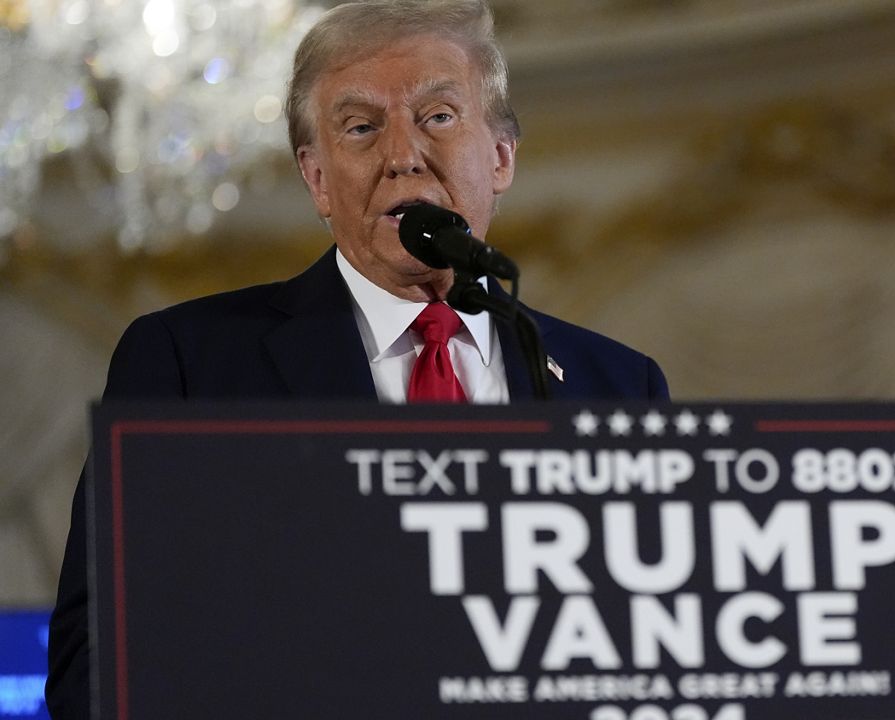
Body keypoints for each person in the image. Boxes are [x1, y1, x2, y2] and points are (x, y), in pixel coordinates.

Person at [44, 0, 668, 715]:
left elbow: (651, 652)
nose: (403, 155)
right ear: (316, 179)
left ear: (500, 157)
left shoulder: (619, 383)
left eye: (438, 116)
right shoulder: (191, 364)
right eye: (362, 127)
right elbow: (94, 665)